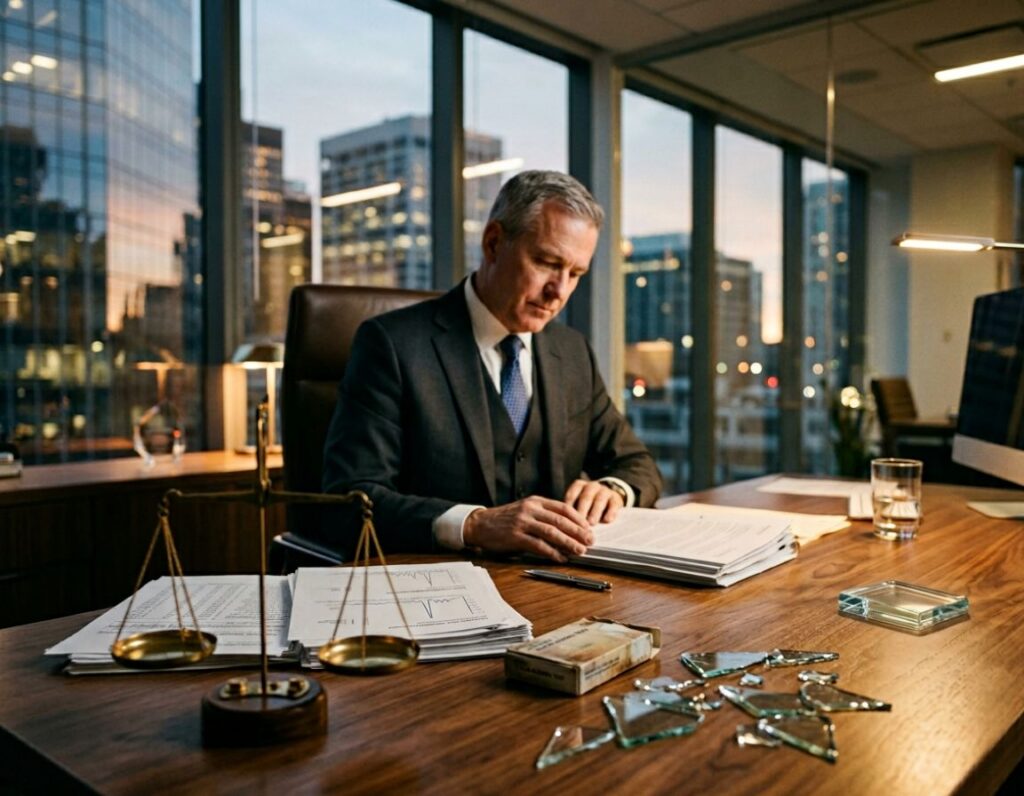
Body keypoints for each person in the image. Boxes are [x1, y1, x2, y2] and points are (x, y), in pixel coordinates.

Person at [322, 170, 661, 561]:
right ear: (494, 242)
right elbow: (351, 498)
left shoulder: (572, 353)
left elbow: (638, 465)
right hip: (435, 593)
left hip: (556, 586)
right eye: (547, 263)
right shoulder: (392, 345)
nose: (560, 291)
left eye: (576, 274)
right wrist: (474, 525)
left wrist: (613, 489)